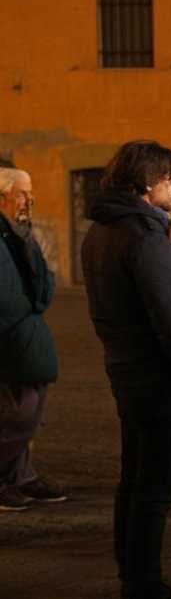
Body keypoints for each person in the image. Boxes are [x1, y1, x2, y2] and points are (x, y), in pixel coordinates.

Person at [81, 140, 171, 599]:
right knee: (153, 493)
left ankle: (136, 581)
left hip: (129, 372)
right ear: (147, 182)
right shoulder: (144, 235)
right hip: (162, 381)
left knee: (133, 484)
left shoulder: (101, 230)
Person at [1, 168, 65, 511]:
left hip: (27, 335)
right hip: (10, 339)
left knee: (31, 410)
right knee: (16, 415)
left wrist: (34, 301)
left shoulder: (20, 233)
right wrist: (31, 304)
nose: (29, 200)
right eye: (23, 193)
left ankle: (21, 477)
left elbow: (44, 286)